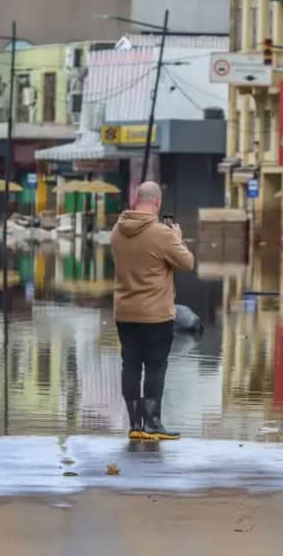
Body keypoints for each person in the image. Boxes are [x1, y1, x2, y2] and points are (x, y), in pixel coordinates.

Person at [111, 181, 194, 440]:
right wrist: (177, 238)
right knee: (156, 366)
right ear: (157, 202)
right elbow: (187, 263)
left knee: (131, 365)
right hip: (156, 314)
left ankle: (135, 425)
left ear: (137, 199)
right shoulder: (162, 234)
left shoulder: (118, 230)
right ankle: (154, 423)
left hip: (125, 312)